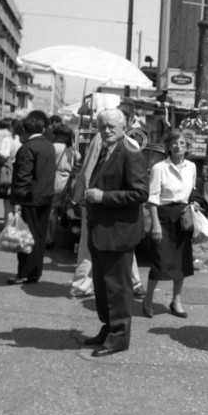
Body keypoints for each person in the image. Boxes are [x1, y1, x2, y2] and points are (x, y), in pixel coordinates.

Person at [81, 108, 149, 357]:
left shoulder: (130, 150)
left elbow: (140, 192)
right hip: (101, 231)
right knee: (103, 287)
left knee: (117, 289)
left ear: (124, 127)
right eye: (102, 127)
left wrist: (104, 197)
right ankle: (109, 328)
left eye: (111, 126)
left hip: (118, 233)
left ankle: (119, 337)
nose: (106, 130)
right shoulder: (106, 148)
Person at [69, 120, 146, 299]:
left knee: (110, 244)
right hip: (104, 201)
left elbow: (87, 170)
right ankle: (132, 283)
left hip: (110, 201)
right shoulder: (106, 140)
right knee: (105, 244)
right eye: (104, 126)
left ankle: (85, 284)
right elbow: (89, 169)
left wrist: (84, 194)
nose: (107, 130)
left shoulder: (120, 143)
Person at [141, 129, 208, 319]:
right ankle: (148, 299)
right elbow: (152, 199)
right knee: (159, 261)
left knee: (182, 262)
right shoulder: (159, 168)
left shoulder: (191, 167)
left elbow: (192, 191)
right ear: (168, 147)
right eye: (174, 143)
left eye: (182, 143)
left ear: (186, 146)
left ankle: (176, 301)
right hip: (163, 217)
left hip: (183, 218)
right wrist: (155, 225)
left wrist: (195, 202)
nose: (178, 146)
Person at [8, 110, 57, 285]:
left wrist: (17, 201)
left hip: (30, 198)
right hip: (46, 196)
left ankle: (25, 273)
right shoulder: (49, 146)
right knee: (39, 237)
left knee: (26, 237)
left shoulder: (27, 148)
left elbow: (23, 177)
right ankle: (34, 272)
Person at [48, 124, 80, 248]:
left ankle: (48, 238)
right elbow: (78, 159)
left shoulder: (53, 147)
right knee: (55, 211)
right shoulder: (72, 150)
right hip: (65, 181)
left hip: (53, 179)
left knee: (50, 211)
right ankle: (52, 236)